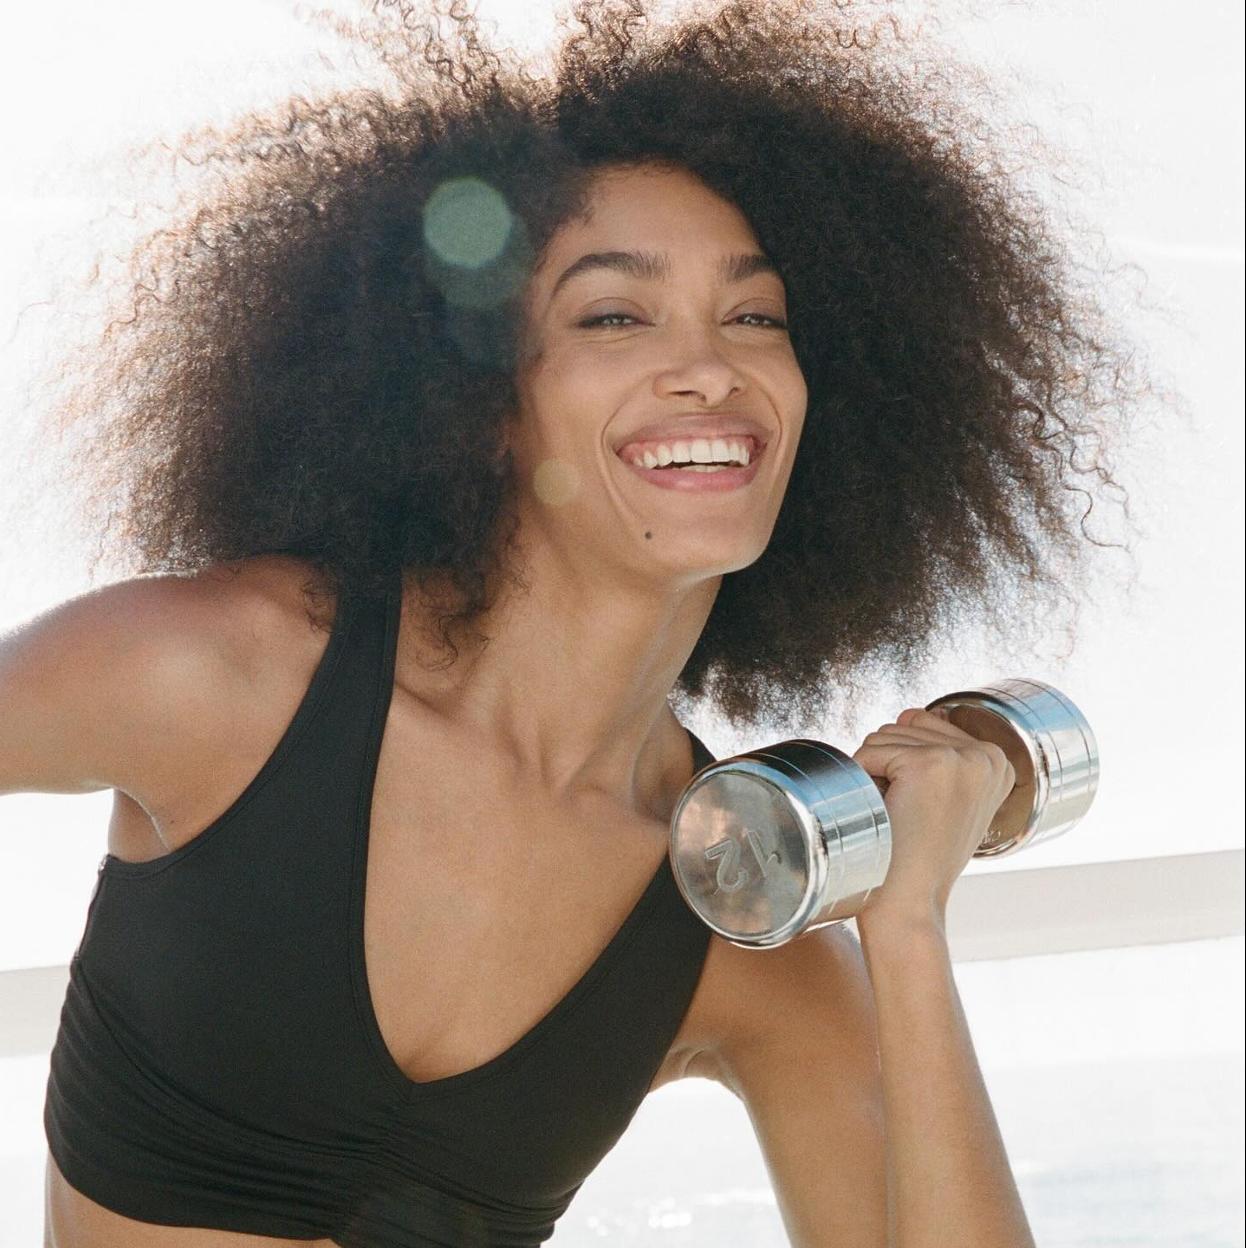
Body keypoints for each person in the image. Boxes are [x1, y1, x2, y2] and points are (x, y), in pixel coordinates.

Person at [0, 0, 1156, 1244]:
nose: (710, 367)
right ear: (477, 396)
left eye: (755, 316)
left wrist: (908, 929)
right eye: (614, 316)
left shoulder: (735, 910)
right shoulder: (207, 675)